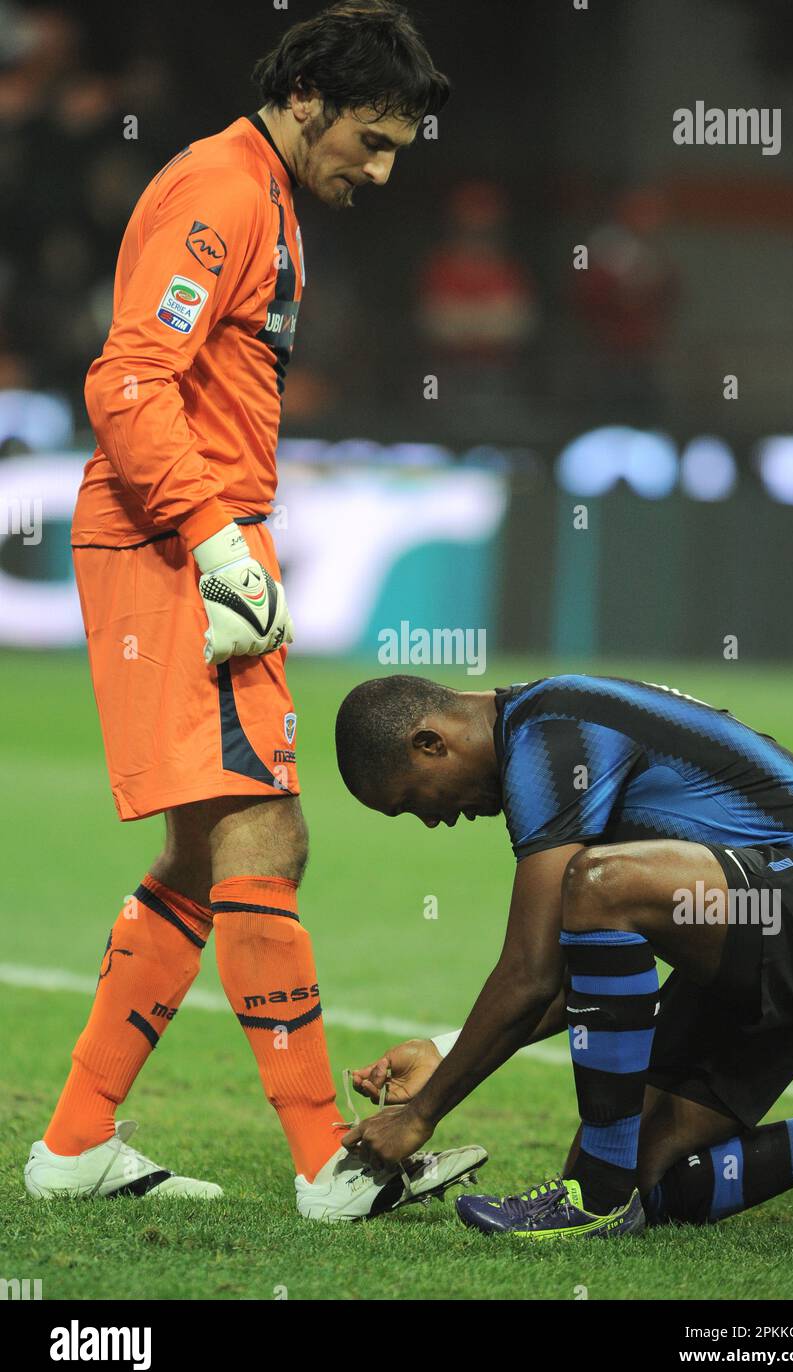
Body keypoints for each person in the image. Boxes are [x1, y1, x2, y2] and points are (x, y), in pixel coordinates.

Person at [24, 1, 487, 1221]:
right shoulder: (221, 190)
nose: (380, 169)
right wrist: (214, 533)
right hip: (176, 546)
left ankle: (74, 1144)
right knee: (265, 842)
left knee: (198, 856)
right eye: (372, 139)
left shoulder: (269, 197)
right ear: (304, 102)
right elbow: (126, 377)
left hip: (197, 539)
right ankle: (333, 1164)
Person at [335, 673, 793, 1238]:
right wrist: (444, 1052)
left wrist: (421, 1115)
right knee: (654, 1183)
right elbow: (588, 974)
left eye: (413, 801)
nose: (433, 821)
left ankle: (597, 1200)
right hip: (768, 946)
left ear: (430, 743)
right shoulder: (543, 733)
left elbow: (531, 974)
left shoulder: (551, 732)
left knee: (597, 883)